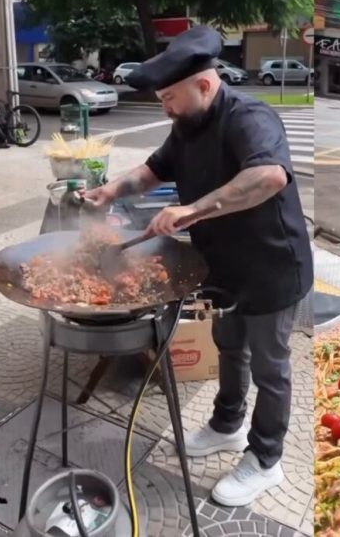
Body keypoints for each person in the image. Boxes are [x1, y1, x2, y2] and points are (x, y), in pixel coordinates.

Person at [83, 26, 313, 507]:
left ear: (204, 86)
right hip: (223, 266)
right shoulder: (186, 125)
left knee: (271, 367)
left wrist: (191, 210)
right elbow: (153, 169)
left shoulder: (250, 117)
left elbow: (268, 176)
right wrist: (111, 190)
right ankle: (227, 425)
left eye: (169, 97)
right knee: (230, 348)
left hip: (272, 265)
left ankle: (266, 460)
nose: (164, 106)